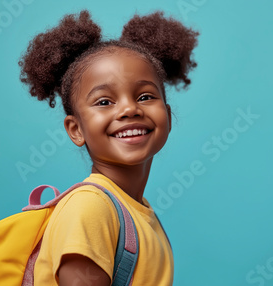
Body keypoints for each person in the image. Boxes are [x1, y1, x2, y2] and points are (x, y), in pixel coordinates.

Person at [18, 9, 199, 285]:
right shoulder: (90, 208)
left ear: (168, 116)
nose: (129, 108)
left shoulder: (137, 210)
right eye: (104, 101)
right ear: (76, 130)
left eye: (145, 96)